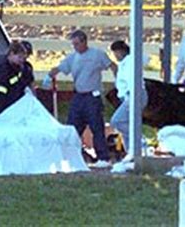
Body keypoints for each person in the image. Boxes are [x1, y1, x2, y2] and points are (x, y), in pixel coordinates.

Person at [49, 30, 117, 168]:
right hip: (78, 96)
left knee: (96, 127)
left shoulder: (97, 55)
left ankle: (103, 158)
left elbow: (112, 66)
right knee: (72, 127)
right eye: (73, 44)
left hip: (93, 95)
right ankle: (69, 156)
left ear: (84, 42)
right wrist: (49, 76)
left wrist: (119, 82)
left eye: (77, 44)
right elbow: (60, 68)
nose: (75, 47)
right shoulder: (72, 58)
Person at [109, 40, 148, 159]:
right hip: (127, 96)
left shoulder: (131, 61)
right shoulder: (124, 64)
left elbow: (144, 60)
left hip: (134, 94)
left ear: (121, 51)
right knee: (127, 123)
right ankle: (131, 154)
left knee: (117, 121)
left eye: (116, 53)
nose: (115, 56)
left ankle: (139, 140)